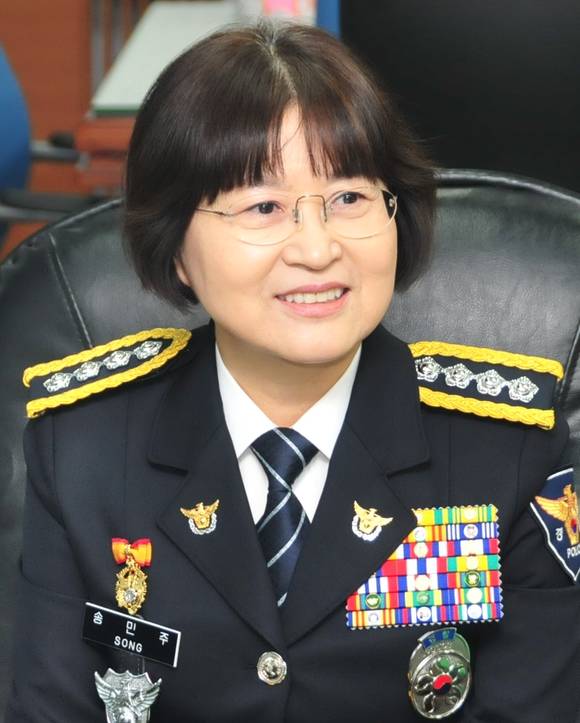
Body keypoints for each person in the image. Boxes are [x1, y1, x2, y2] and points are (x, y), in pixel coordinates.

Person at [6, 20, 579, 723]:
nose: (316, 248)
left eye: (350, 198)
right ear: (176, 247)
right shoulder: (84, 450)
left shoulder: (507, 452)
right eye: (264, 207)